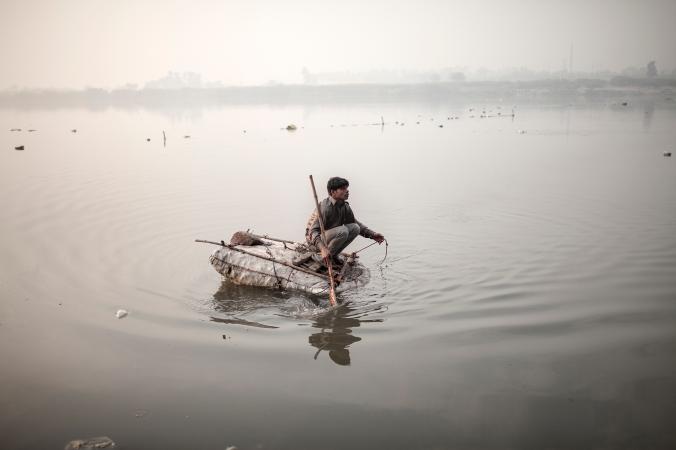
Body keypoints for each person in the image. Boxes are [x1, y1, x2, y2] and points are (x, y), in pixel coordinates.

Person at [306, 177, 384, 265]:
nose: (347, 191)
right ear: (332, 192)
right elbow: (312, 232)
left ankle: (333, 255)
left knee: (355, 228)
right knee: (343, 231)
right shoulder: (325, 208)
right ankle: (321, 257)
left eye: (347, 188)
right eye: (343, 189)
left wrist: (372, 235)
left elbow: (355, 223)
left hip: (328, 237)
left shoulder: (344, 206)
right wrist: (323, 249)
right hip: (315, 242)